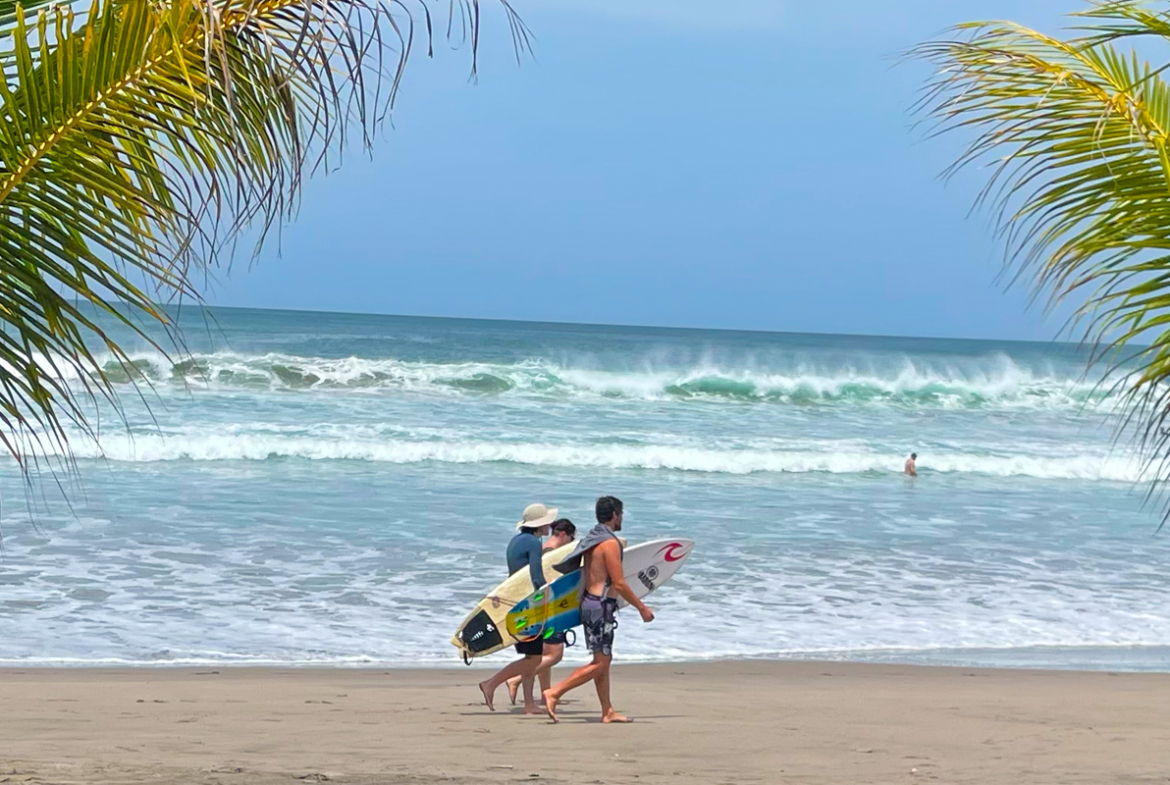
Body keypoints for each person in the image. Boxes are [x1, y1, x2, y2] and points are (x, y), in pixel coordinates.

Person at [543, 496, 654, 724]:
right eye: (621, 514)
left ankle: (607, 711)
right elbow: (620, 583)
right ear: (614, 515)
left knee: (603, 659)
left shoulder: (592, 540)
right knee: (600, 663)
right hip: (601, 607)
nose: (621, 518)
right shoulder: (609, 543)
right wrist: (642, 608)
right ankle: (554, 693)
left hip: (590, 603)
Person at [478, 502, 559, 714]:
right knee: (533, 658)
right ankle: (491, 684)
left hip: (516, 603)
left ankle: (529, 705)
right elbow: (535, 576)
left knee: (531, 658)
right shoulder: (533, 543)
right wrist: (551, 595)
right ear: (539, 525)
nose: (550, 525)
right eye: (547, 522)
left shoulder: (516, 541)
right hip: (527, 605)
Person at [506, 519, 577, 707]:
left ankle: (546, 693)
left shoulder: (541, 548)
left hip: (536, 608)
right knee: (555, 654)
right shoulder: (552, 554)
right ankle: (516, 678)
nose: (572, 542)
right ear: (563, 534)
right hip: (549, 608)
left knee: (545, 652)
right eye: (572, 538)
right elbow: (548, 582)